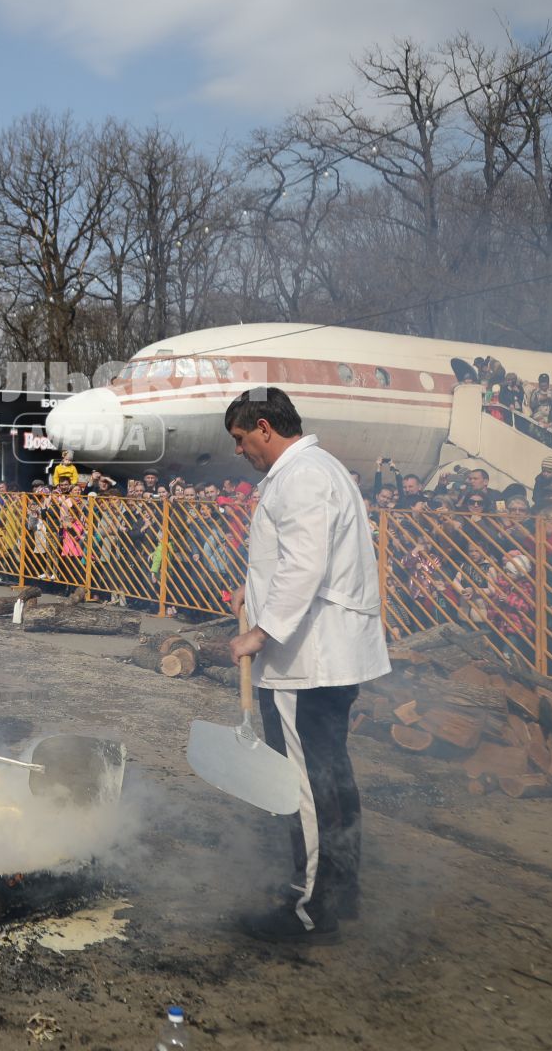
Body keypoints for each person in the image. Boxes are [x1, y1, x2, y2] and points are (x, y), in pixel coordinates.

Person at [223, 387, 388, 943]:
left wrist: (261, 632)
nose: (241, 451)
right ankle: (342, 891)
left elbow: (304, 566)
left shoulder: (303, 476)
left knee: (308, 784)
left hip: (307, 657)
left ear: (265, 427)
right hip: (320, 653)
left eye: (242, 439)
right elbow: (285, 562)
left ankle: (310, 905)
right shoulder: (316, 470)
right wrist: (249, 593)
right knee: (332, 777)